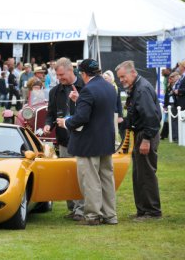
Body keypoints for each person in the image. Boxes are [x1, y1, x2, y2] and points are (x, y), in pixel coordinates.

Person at [57, 58, 117, 226]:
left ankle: (92, 216)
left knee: (90, 180)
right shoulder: (109, 87)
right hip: (106, 141)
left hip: (89, 142)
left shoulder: (88, 90)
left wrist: (66, 123)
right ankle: (110, 215)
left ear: (83, 74)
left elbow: (82, 118)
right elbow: (98, 110)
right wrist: (80, 101)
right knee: (106, 179)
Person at [115, 60, 162, 221]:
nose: (121, 80)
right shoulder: (136, 88)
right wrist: (122, 121)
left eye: (123, 77)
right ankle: (142, 210)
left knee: (146, 174)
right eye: (119, 78)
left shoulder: (142, 89)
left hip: (145, 135)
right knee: (139, 174)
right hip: (140, 134)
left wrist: (147, 139)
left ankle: (152, 212)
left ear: (132, 72)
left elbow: (151, 117)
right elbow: (137, 115)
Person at [43, 57, 85, 221]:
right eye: (57, 75)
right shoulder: (55, 91)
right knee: (69, 175)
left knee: (82, 175)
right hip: (64, 140)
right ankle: (73, 208)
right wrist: (48, 125)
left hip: (82, 139)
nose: (59, 78)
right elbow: (51, 114)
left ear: (70, 70)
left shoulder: (85, 86)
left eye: (61, 75)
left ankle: (82, 209)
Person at [103, 70, 124, 140]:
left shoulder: (117, 88)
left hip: (114, 114)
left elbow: (119, 103)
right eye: (103, 78)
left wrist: (120, 116)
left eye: (105, 78)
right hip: (104, 114)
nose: (104, 80)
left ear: (111, 78)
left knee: (114, 133)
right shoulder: (101, 88)